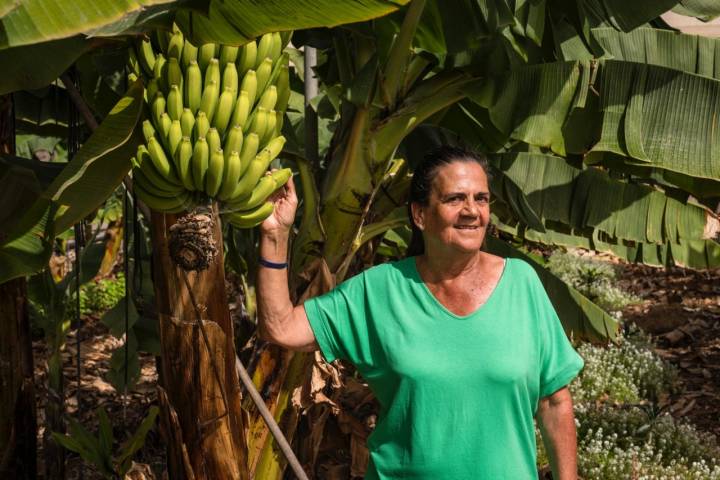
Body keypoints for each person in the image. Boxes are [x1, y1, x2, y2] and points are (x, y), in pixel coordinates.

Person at [256, 145, 584, 479]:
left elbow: (554, 402)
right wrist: (276, 235)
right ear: (419, 215)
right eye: (455, 199)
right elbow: (280, 327)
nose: (472, 210)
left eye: (481, 198)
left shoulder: (521, 283)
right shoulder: (380, 290)